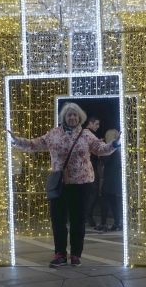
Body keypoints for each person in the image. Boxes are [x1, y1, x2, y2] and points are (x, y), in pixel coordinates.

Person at [8, 103, 120, 267]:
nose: (72, 117)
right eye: (69, 115)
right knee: (58, 220)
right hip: (60, 183)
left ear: (80, 117)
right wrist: (16, 141)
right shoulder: (54, 134)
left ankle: (75, 254)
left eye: (75, 115)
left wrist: (114, 144)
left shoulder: (86, 135)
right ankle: (60, 254)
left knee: (78, 220)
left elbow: (100, 148)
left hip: (81, 184)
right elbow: (35, 144)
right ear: (64, 118)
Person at [96, 129, 123, 232]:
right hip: (115, 179)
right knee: (113, 202)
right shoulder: (118, 150)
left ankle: (104, 223)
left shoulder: (111, 150)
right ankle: (117, 223)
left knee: (105, 201)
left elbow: (105, 161)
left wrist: (100, 156)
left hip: (109, 179)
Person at [84, 116, 101, 228]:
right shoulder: (88, 134)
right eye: (96, 124)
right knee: (93, 193)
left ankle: (87, 216)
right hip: (90, 169)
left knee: (90, 194)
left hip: (90, 168)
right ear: (90, 123)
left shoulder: (87, 134)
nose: (98, 127)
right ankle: (88, 215)